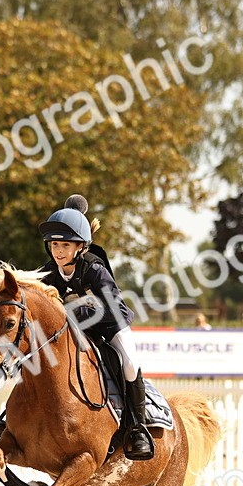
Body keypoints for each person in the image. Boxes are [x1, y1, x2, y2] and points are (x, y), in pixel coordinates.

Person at [37, 197, 154, 461]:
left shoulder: (94, 270)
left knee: (129, 363)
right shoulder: (49, 273)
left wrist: (72, 310)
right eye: (54, 244)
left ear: (80, 246)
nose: (58, 251)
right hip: (80, 330)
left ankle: (137, 427)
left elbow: (110, 309)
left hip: (112, 325)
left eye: (65, 245)